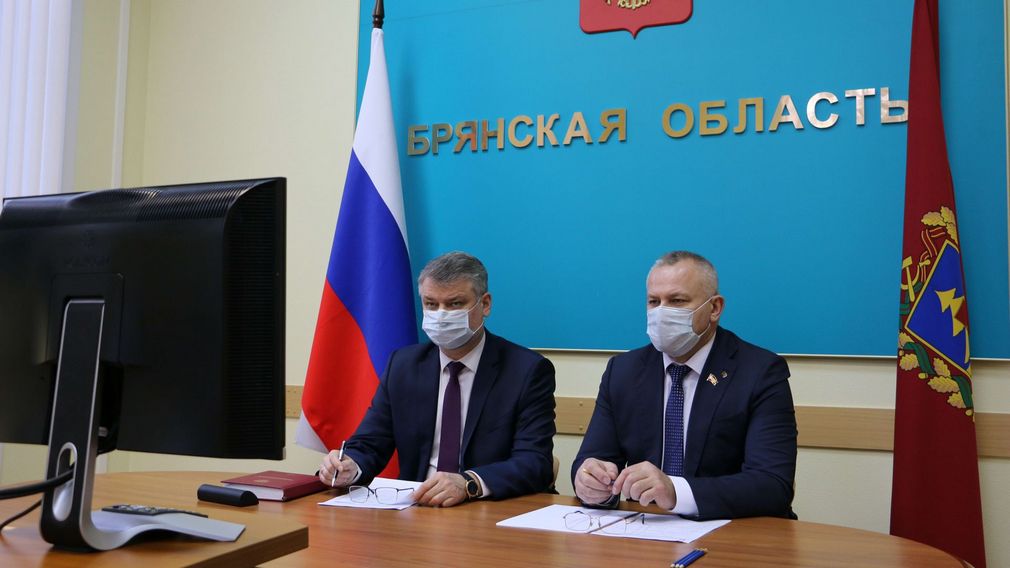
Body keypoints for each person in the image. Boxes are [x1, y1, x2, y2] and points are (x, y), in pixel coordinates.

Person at [319, 251, 556, 507]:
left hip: (484, 508)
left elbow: (535, 461)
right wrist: (350, 465)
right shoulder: (404, 365)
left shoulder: (526, 370)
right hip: (415, 507)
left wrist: (469, 483)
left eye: (455, 304)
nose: (441, 314)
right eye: (431, 304)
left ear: (485, 304)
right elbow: (371, 443)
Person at [572, 251, 797, 520]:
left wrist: (676, 492)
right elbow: (593, 459)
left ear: (714, 308)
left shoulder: (760, 372)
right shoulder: (623, 371)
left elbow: (772, 485)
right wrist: (592, 483)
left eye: (676, 301)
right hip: (644, 530)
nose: (661, 312)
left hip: (732, 530)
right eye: (654, 302)